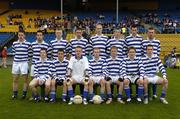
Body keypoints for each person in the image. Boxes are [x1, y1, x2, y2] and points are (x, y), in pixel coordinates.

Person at [142, 27, 161, 99]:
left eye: (152, 32)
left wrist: (157, 63)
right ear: (147, 33)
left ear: (154, 33)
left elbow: (158, 52)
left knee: (154, 77)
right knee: (146, 78)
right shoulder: (143, 42)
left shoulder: (157, 41)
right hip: (146, 63)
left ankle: (154, 93)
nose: (151, 34)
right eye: (149, 32)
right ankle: (147, 94)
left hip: (154, 63)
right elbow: (142, 52)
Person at [11, 31, 31, 99]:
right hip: (16, 63)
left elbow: (30, 54)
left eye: (22, 35)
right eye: (19, 35)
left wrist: (26, 61)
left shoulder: (28, 44)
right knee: (15, 79)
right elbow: (14, 53)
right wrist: (16, 60)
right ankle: (15, 94)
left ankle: (24, 94)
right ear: (18, 36)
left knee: (25, 80)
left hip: (24, 63)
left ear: (24, 36)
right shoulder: (14, 43)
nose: (20, 36)